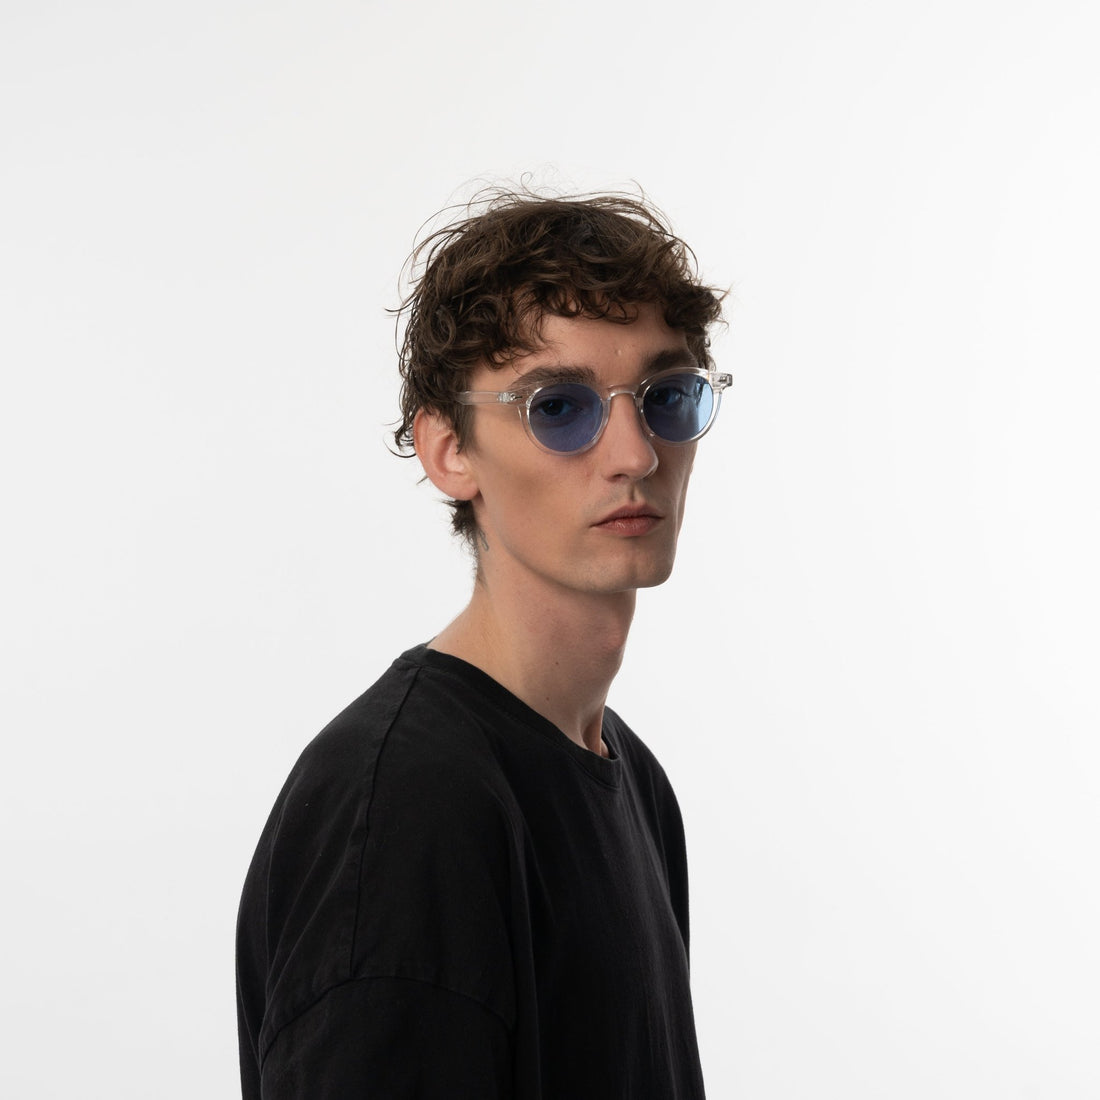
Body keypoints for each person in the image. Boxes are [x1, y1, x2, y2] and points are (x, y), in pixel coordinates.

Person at [235, 188, 729, 1098]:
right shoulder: (409, 807)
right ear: (449, 451)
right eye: (561, 407)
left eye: (666, 398)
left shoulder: (632, 782)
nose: (635, 454)